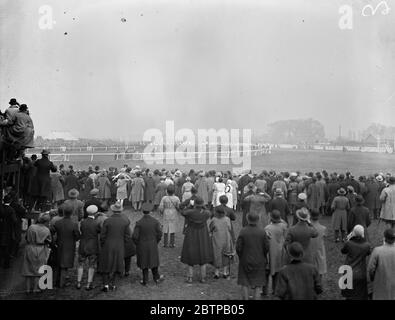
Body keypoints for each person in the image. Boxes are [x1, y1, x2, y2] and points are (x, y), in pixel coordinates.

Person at [98, 202, 132, 292]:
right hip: (119, 245)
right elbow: (127, 236)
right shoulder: (125, 221)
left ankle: (105, 285)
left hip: (108, 245)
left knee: (106, 264)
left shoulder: (107, 220)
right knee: (117, 265)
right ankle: (113, 284)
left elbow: (103, 235)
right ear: (121, 210)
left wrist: (102, 244)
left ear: (112, 210)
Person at [236, 212, 270, 300]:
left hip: (245, 259)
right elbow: (267, 247)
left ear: (248, 219)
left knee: (245, 282)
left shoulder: (243, 231)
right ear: (258, 220)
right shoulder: (262, 232)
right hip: (259, 259)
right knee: (258, 283)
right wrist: (263, 255)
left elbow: (238, 247)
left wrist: (241, 256)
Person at [181, 197, 213, 283]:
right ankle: (203, 277)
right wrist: (204, 207)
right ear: (202, 204)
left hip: (191, 233)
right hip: (202, 234)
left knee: (190, 253)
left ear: (194, 204)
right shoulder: (206, 213)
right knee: (203, 253)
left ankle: (190, 277)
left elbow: (183, 212)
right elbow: (210, 212)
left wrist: (189, 206)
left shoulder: (190, 212)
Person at [132, 202, 164, 285]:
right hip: (152, 243)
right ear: (150, 211)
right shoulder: (155, 222)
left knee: (144, 262)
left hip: (142, 244)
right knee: (153, 261)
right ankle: (156, 278)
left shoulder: (139, 223)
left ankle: (145, 280)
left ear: (142, 211)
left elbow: (135, 236)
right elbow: (159, 234)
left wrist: (137, 244)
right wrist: (156, 241)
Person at [21, 212, 51, 293]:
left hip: (30, 248)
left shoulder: (31, 227)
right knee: (39, 269)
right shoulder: (46, 230)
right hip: (41, 249)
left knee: (28, 268)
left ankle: (27, 289)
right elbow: (49, 241)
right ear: (46, 221)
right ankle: (35, 288)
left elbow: (26, 238)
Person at [52, 204, 80, 288]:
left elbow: (52, 232)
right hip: (69, 246)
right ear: (71, 213)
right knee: (65, 265)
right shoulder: (74, 224)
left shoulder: (57, 223)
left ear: (63, 212)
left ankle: (56, 281)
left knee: (58, 264)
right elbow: (77, 236)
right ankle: (62, 283)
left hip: (59, 244)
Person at [340, 225, 371, 300]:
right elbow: (368, 253)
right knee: (360, 295)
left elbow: (343, 251)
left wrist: (349, 238)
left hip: (348, 272)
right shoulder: (367, 245)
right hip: (361, 273)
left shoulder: (349, 244)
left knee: (348, 295)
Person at [76, 205, 101, 290]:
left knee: (80, 264)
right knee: (91, 265)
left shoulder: (82, 222)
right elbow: (99, 231)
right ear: (95, 213)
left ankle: (78, 282)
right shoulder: (97, 223)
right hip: (93, 246)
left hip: (83, 245)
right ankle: (88, 284)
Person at [367, 228, 395, 300]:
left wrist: (373, 277)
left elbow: (370, 269)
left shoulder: (377, 250)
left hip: (380, 283)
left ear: (384, 238)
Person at [264, 210, 287, 295]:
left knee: (266, 272)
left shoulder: (267, 228)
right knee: (277, 272)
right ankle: (275, 289)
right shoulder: (283, 226)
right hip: (279, 251)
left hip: (270, 252)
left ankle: (265, 290)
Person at [209, 205, 234, 279]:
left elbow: (210, 228)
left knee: (217, 254)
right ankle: (225, 272)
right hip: (226, 238)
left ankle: (216, 272)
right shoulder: (227, 219)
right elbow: (229, 228)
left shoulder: (214, 220)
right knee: (226, 254)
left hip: (217, 239)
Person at [0, 196, 18, 268]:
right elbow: (14, 221)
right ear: (10, 201)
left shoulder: (1, 208)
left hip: (1, 229)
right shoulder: (11, 210)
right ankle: (6, 264)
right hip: (8, 230)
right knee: (7, 247)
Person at [309, 210, 327, 278]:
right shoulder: (323, 228)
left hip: (309, 250)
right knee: (320, 269)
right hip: (319, 250)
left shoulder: (308, 227)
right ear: (319, 216)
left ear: (310, 216)